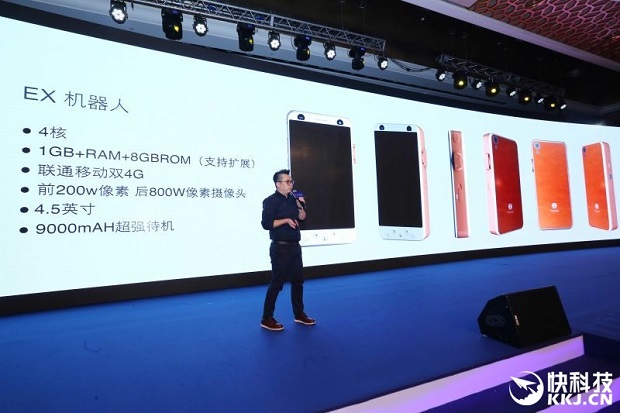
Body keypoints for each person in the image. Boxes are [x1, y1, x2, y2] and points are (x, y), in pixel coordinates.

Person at [260, 169, 316, 331]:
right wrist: (285, 220)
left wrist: (300, 205)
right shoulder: (270, 201)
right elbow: (266, 224)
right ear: (278, 184)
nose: (291, 184)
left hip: (295, 247)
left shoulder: (293, 199)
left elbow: (302, 217)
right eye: (287, 181)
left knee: (298, 282)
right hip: (280, 248)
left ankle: (299, 314)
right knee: (277, 283)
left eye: (292, 181)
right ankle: (267, 318)